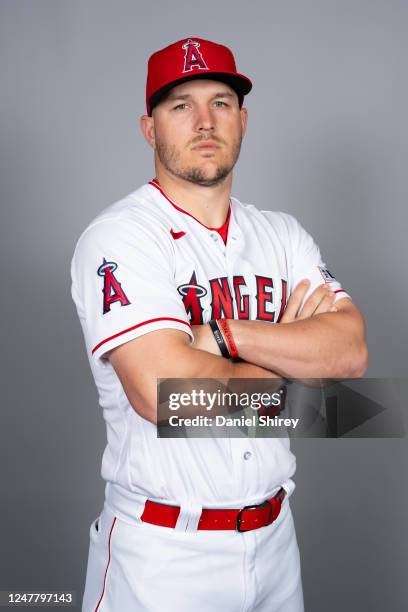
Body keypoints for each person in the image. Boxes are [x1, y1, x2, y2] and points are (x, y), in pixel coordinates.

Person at [71, 37, 368, 612]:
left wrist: (226, 337)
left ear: (243, 120)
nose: (204, 121)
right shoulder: (121, 236)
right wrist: (298, 361)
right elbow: (169, 400)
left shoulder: (282, 235)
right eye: (181, 105)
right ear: (149, 128)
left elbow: (350, 355)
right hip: (162, 553)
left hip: (277, 540)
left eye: (221, 103)